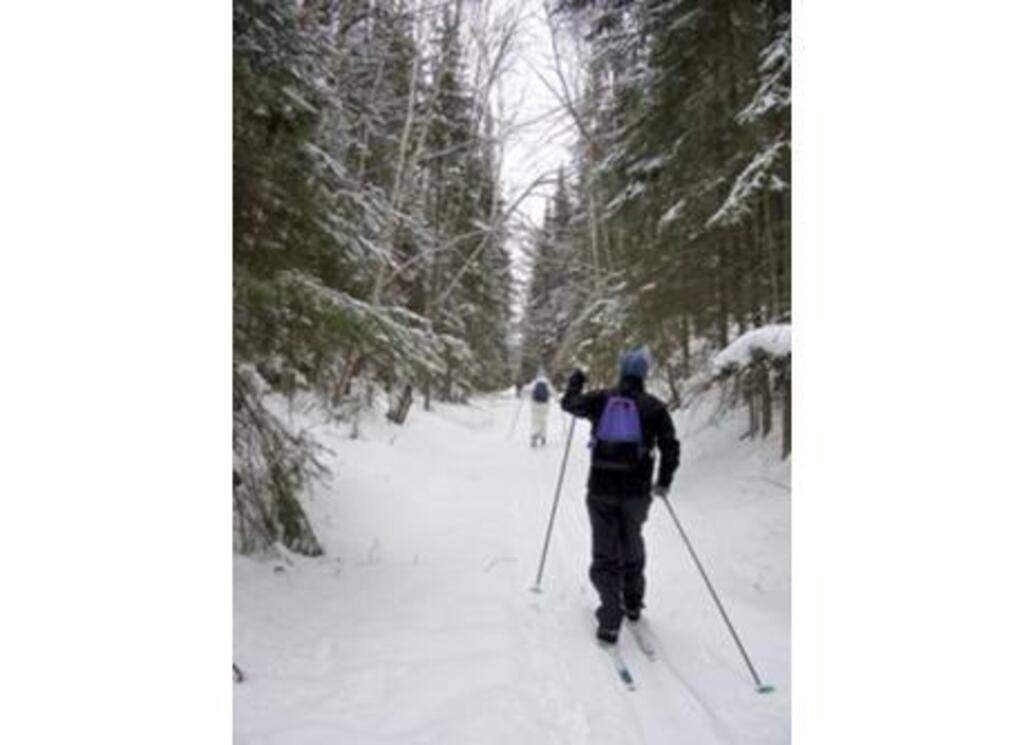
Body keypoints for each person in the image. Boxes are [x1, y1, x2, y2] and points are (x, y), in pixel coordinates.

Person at [561, 349, 680, 644]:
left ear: (620, 371)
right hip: (637, 492)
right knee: (632, 540)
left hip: (600, 488)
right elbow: (670, 447)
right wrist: (663, 481)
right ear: (644, 374)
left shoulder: (601, 399)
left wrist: (576, 381)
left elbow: (569, 404)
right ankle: (633, 603)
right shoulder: (654, 407)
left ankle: (610, 617)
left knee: (604, 553)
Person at [529, 375, 551, 447]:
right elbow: (552, 392)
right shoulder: (547, 382)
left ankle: (534, 435)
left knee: (535, 421)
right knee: (543, 421)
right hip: (544, 405)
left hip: (535, 405)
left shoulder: (535, 382)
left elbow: (527, 390)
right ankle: (543, 436)